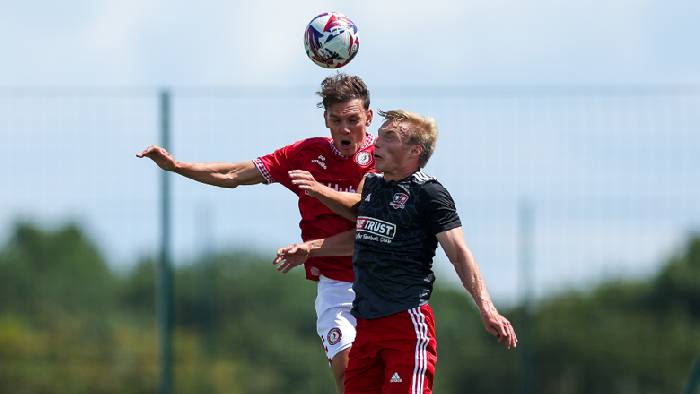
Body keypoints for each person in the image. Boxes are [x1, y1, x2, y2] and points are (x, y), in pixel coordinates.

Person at [137, 73, 375, 393]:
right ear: (325, 120)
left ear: (368, 118)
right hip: (336, 288)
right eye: (336, 120)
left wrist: (313, 238)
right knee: (350, 379)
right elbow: (235, 174)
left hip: (382, 282)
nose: (345, 129)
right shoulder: (306, 155)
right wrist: (177, 166)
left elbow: (367, 227)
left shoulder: (384, 159)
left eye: (353, 120)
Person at [274, 109, 518, 394]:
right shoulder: (372, 185)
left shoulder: (429, 193)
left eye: (389, 137)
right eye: (379, 134)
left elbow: (460, 254)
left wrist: (486, 308)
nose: (376, 142)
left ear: (414, 150)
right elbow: (363, 229)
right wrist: (311, 247)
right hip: (366, 326)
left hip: (405, 325)